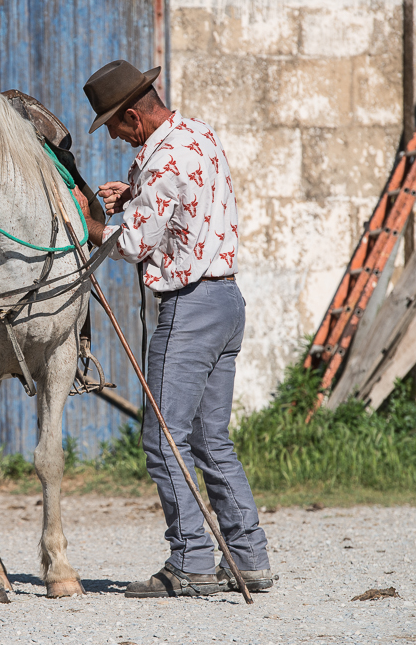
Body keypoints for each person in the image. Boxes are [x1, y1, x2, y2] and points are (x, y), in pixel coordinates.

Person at [75, 59, 275, 598]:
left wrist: (85, 223)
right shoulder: (197, 134)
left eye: (114, 127)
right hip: (226, 300)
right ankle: (249, 558)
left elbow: (133, 243)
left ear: (133, 117)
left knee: (163, 437)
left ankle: (191, 562)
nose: (115, 138)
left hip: (189, 309)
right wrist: (133, 196)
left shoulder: (161, 159)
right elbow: (183, 203)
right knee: (211, 439)